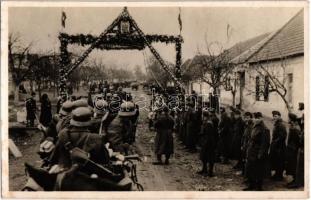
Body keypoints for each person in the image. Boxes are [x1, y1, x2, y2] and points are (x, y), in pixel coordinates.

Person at [244, 112, 270, 191]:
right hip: (251, 151)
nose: (256, 119)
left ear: (261, 118)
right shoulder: (254, 126)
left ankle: (259, 187)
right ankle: (251, 185)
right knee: (250, 168)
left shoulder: (265, 129)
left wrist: (260, 154)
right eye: (255, 118)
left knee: (259, 170)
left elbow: (265, 144)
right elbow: (250, 138)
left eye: (258, 118)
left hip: (258, 152)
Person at [197, 111, 217, 177]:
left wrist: (205, 143)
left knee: (210, 157)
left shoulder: (209, 123)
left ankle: (210, 172)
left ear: (205, 116)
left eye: (203, 116)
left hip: (209, 143)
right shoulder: (206, 122)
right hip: (205, 142)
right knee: (203, 157)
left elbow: (209, 135)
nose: (202, 117)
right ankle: (204, 169)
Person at [285, 113, 302, 188]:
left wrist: (292, 148)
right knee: (291, 165)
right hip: (291, 149)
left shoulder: (295, 128)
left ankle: (295, 181)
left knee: (294, 165)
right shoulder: (293, 126)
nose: (287, 119)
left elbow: (297, 141)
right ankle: (294, 180)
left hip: (293, 150)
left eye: (288, 118)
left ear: (291, 119)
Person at [269, 110, 287, 181]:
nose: (274, 117)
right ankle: (277, 174)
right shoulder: (277, 124)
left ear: (279, 116)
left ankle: (279, 176)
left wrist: (275, 143)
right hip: (276, 146)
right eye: (273, 116)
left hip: (280, 147)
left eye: (276, 116)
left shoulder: (281, 125)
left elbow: (282, 136)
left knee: (280, 161)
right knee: (276, 160)